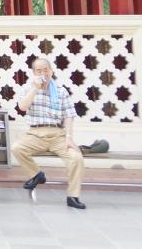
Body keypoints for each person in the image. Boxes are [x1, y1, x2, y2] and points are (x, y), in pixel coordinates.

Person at [12, 56, 86, 209]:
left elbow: (69, 115)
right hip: (35, 133)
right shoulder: (27, 88)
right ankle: (36, 174)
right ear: (34, 73)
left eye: (46, 70)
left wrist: (69, 138)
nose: (43, 73)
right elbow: (23, 107)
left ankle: (73, 196)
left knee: (76, 158)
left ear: (51, 71)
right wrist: (35, 88)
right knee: (17, 148)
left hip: (58, 134)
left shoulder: (60, 91)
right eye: (39, 71)